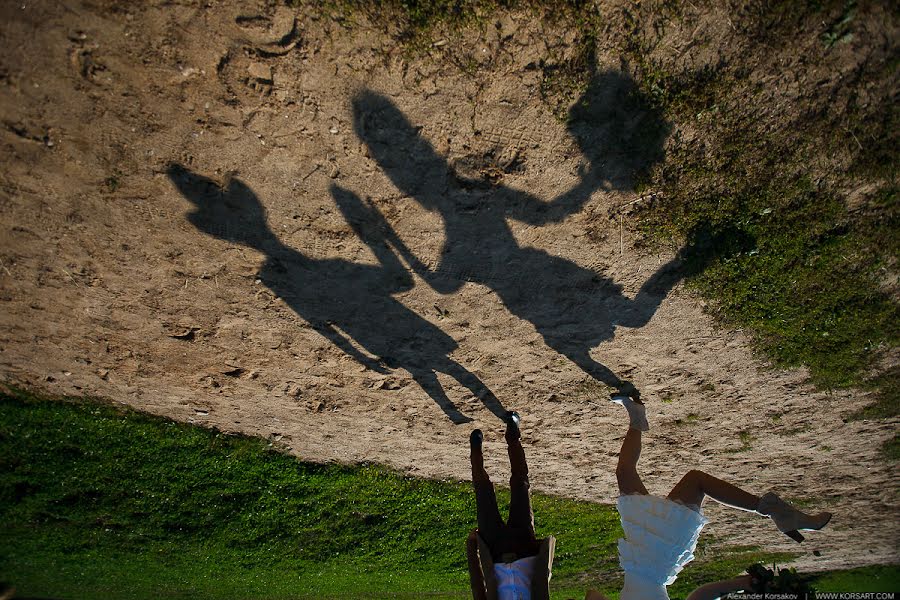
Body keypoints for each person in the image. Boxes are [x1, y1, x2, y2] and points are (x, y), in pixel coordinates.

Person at [584, 396, 833, 600]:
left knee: (625, 472)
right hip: (658, 556)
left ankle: (637, 415)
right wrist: (739, 584)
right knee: (696, 481)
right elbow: (700, 596)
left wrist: (739, 584)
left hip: (641, 554)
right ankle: (775, 512)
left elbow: (592, 595)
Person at [467, 412, 555, 600]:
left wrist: (471, 545)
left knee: (483, 492)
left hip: (494, 550)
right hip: (525, 546)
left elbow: (477, 587)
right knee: (521, 484)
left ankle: (475, 449)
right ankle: (513, 434)